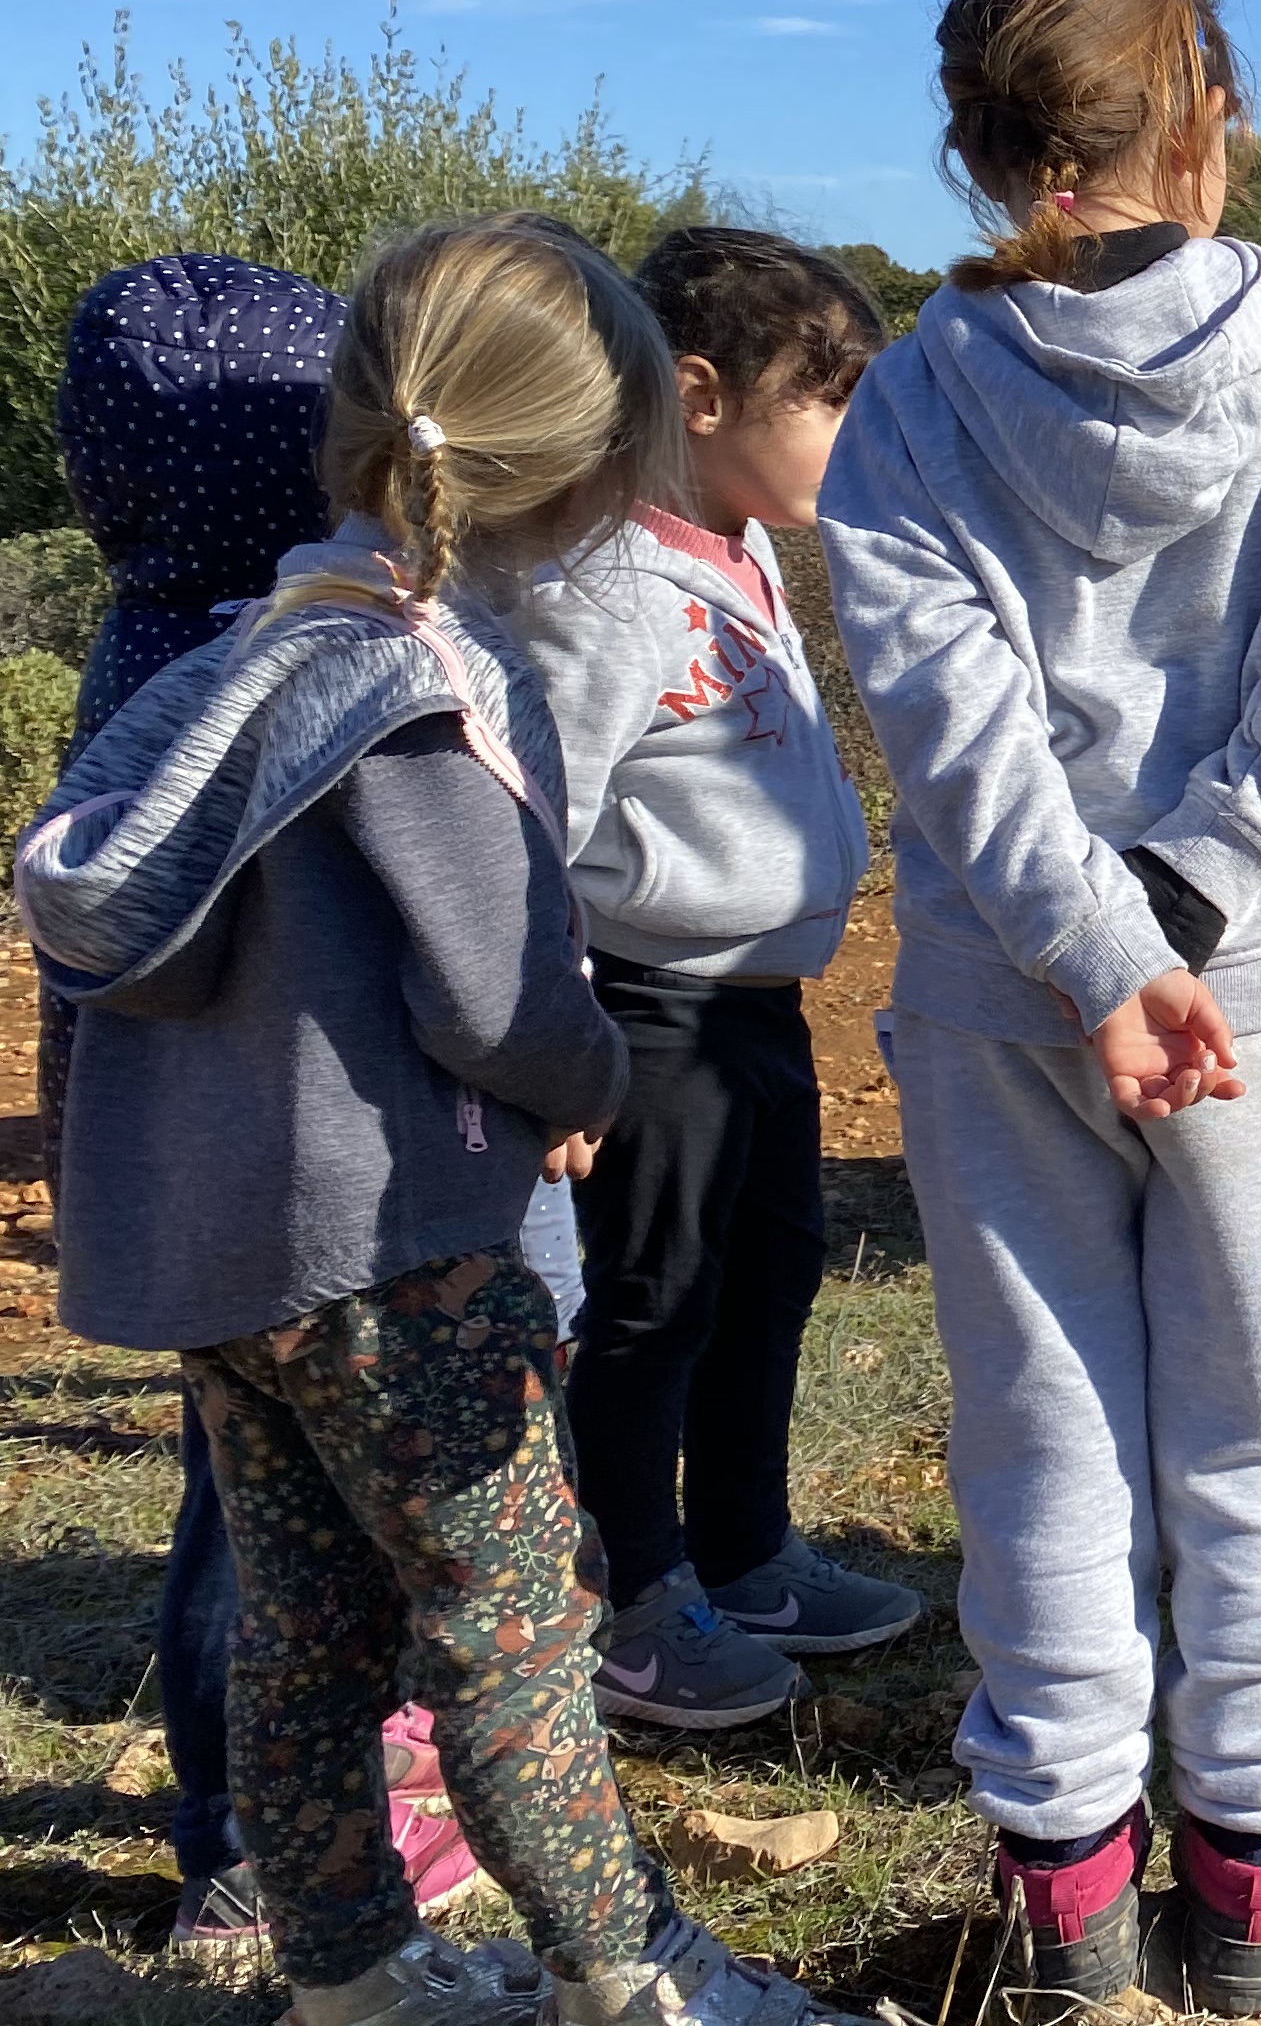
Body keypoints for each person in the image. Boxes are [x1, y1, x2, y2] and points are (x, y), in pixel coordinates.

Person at [17, 217, 832, 2026]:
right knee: (517, 1636)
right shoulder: (423, 688)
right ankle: (634, 1974)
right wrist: (593, 1081)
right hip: (397, 1253)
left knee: (309, 1635)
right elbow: (496, 992)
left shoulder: (239, 645)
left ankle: (352, 1969)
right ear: (592, 461)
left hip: (227, 1262)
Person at [819, 0, 1261, 2018]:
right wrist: (1178, 919)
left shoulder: (905, 401)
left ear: (987, 152)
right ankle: (1253, 1935)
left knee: (1039, 1446)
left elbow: (944, 716)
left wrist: (1089, 947)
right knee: (1254, 1434)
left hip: (1008, 1000)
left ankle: (1070, 1939)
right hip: (1254, 989)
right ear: (1213, 126)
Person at [38, 254, 538, 1956]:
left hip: (180, 1179)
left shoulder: (145, 662)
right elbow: (454, 952)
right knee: (313, 1540)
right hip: (339, 1195)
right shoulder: (324, 671)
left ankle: (254, 1838)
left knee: (242, 1516)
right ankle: (281, 1845)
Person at [512, 228, 914, 1734]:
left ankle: (746, 1553)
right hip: (646, 1011)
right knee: (650, 1303)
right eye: (826, 400)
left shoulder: (737, 555)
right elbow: (531, 828)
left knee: (770, 1274)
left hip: (754, 1008)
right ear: (696, 392)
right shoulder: (598, 586)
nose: (852, 436)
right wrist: (553, 1042)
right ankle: (635, 1600)